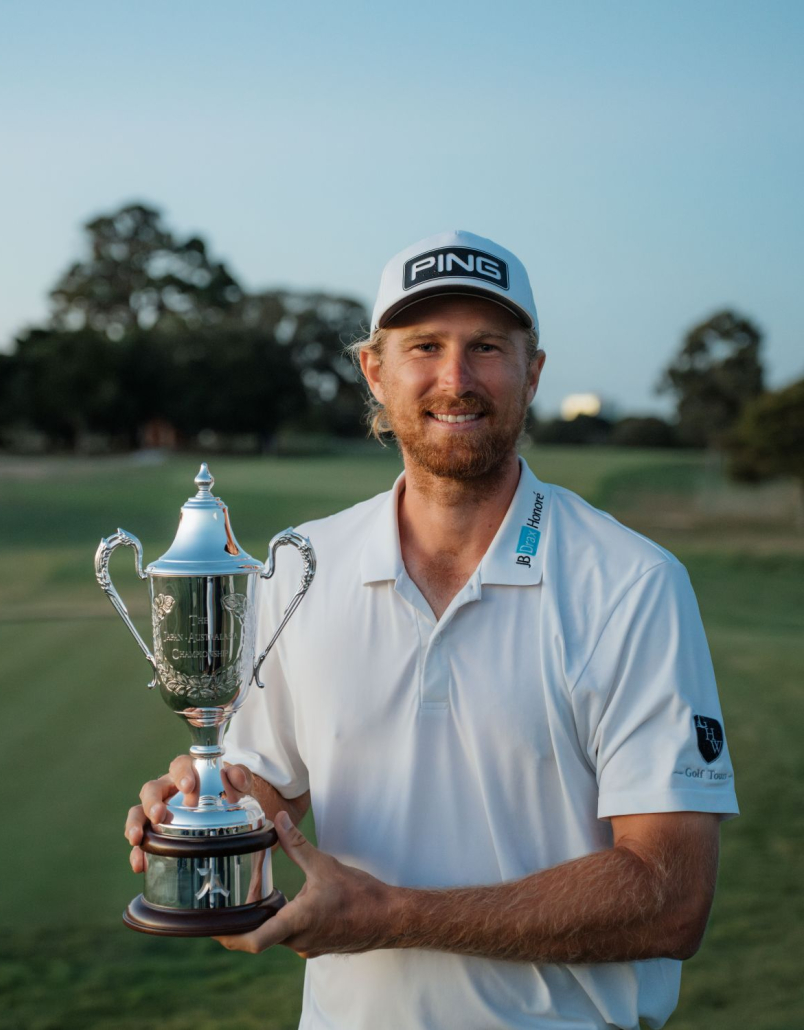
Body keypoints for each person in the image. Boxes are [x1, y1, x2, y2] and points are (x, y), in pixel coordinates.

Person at [125, 230, 739, 1030]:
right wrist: (205, 805)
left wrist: (394, 915)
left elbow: (670, 897)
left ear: (533, 372)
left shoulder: (632, 582)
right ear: (374, 371)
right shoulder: (299, 565)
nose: (456, 379)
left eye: (487, 347)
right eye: (424, 346)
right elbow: (271, 789)